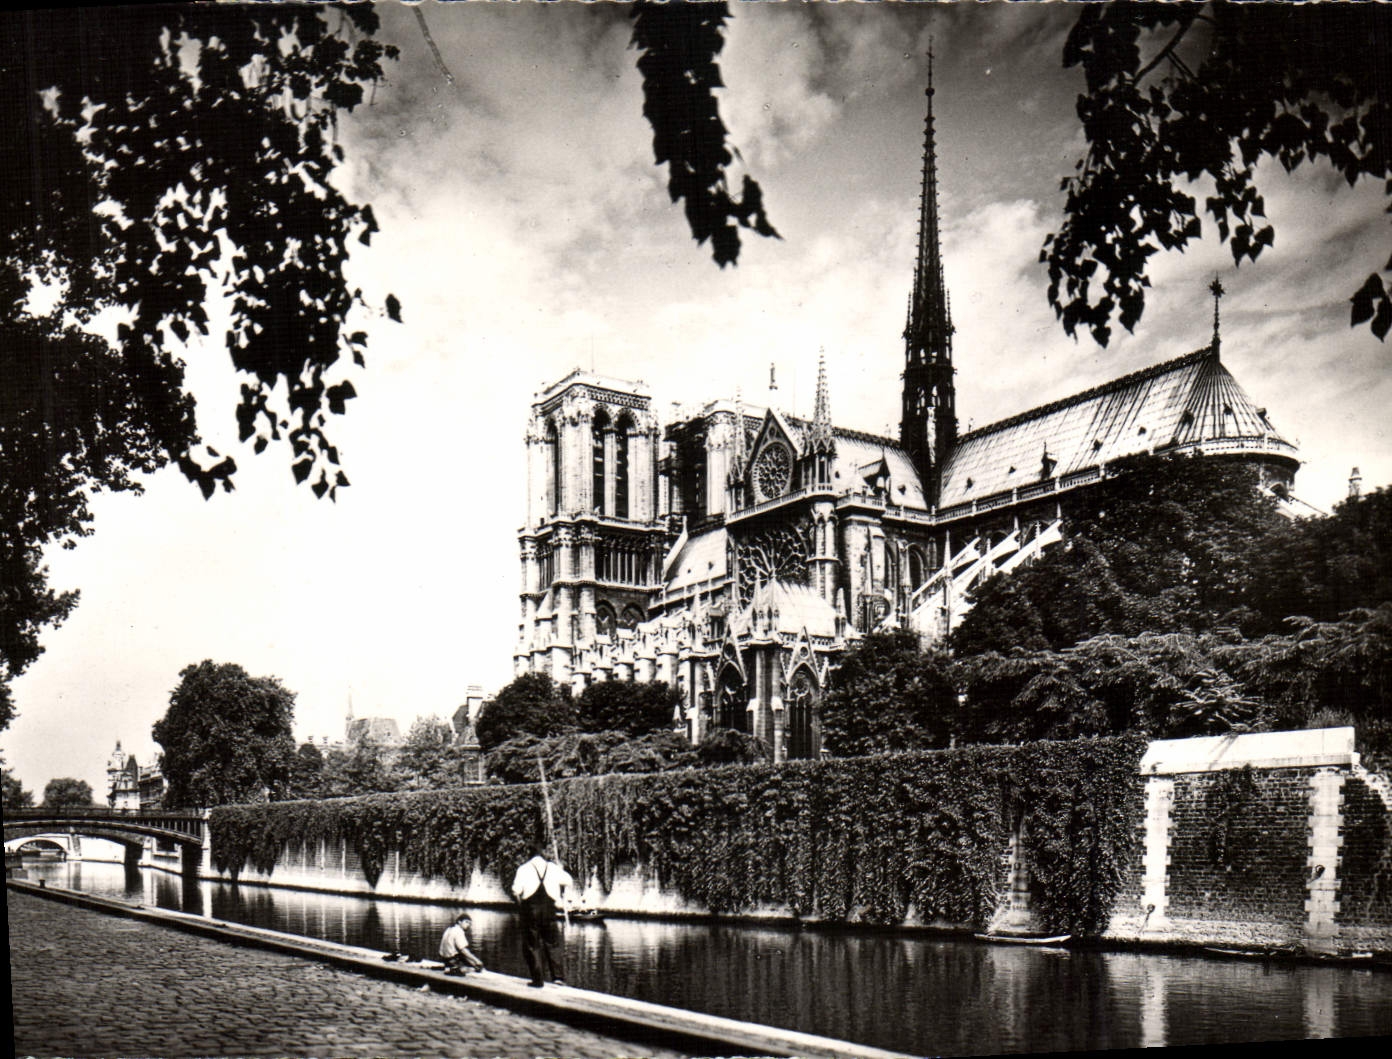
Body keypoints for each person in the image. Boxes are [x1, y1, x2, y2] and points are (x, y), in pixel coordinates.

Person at [511, 842, 572, 987]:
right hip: (549, 911)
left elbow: (516, 891)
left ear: (529, 854)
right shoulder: (553, 868)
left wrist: (521, 907)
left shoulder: (523, 869)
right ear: (543, 854)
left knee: (532, 945)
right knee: (553, 944)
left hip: (531, 911)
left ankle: (538, 980)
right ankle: (558, 978)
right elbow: (568, 881)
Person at [438, 911, 485, 976]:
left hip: (444, 958)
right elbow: (463, 950)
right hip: (452, 960)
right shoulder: (459, 931)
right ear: (459, 922)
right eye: (466, 922)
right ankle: (455, 969)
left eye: (469, 923)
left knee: (468, 959)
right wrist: (477, 960)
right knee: (474, 964)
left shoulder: (449, 929)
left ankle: (451, 967)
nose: (468, 925)